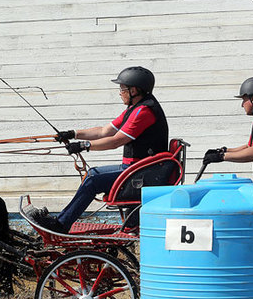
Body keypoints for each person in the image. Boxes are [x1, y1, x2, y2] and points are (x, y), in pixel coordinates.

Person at [28, 66, 169, 234]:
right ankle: (61, 221)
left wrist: (84, 146)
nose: (120, 92)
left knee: (93, 178)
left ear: (134, 90)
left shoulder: (144, 112)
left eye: (122, 88)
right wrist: (74, 134)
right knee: (93, 175)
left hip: (139, 174)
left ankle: (60, 225)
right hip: (136, 171)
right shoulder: (135, 108)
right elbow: (104, 131)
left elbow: (116, 141)